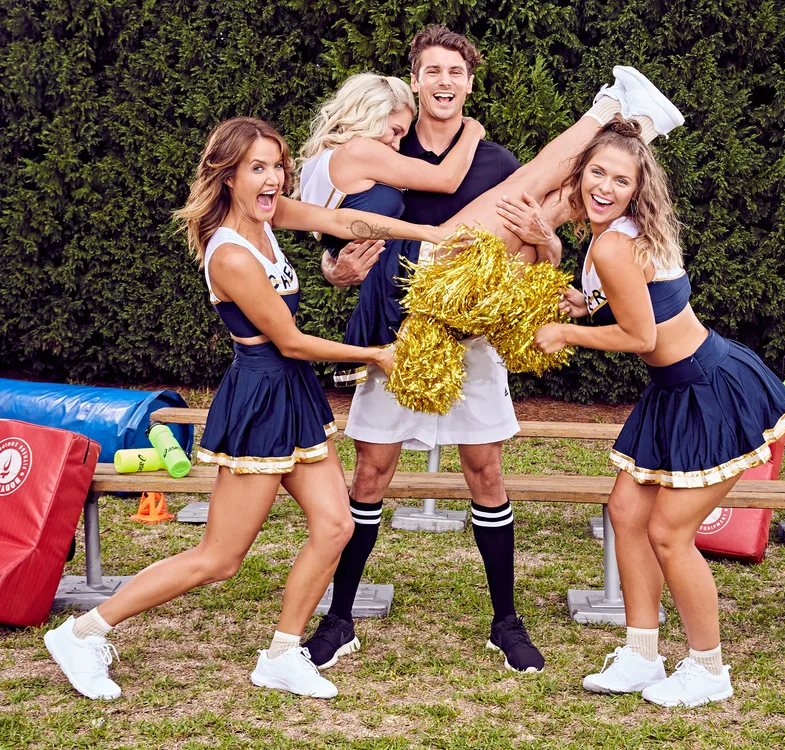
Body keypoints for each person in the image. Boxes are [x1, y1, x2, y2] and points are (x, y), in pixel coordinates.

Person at [271, 25, 685, 675]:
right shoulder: (386, 142)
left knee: (486, 473)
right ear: (414, 79)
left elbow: (547, 238)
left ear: (468, 82)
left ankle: (506, 623)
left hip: (470, 332)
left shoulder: (495, 158)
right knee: (370, 475)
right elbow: (335, 251)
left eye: (454, 72)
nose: (443, 82)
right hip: (398, 334)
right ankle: (339, 619)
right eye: (431, 70)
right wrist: (337, 270)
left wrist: (546, 245)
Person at [42, 116, 451, 702]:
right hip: (262, 399)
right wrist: (376, 354)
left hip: (292, 395)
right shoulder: (229, 254)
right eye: (256, 168)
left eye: (277, 165)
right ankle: (82, 633)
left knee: (336, 525)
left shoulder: (268, 217)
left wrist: (428, 234)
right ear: (227, 175)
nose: (272, 178)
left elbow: (340, 220)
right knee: (220, 557)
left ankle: (284, 654)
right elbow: (290, 342)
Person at [533, 117, 785, 706]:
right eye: (596, 172)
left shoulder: (611, 242)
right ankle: (641, 655)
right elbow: (635, 302)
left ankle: (708, 670)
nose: (605, 186)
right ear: (580, 176)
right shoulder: (619, 234)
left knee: (669, 534)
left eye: (620, 180)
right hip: (677, 389)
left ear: (637, 189)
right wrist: (584, 304)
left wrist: (565, 333)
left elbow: (640, 333)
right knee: (626, 513)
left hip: (709, 390)